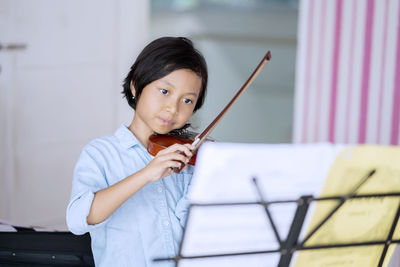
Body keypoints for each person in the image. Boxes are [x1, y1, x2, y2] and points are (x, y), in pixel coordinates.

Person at [66, 36, 208, 267]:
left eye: (187, 100)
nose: (173, 108)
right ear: (135, 85)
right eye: (164, 91)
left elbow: (194, 235)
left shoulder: (188, 161)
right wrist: (146, 174)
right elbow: (78, 219)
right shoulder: (101, 154)